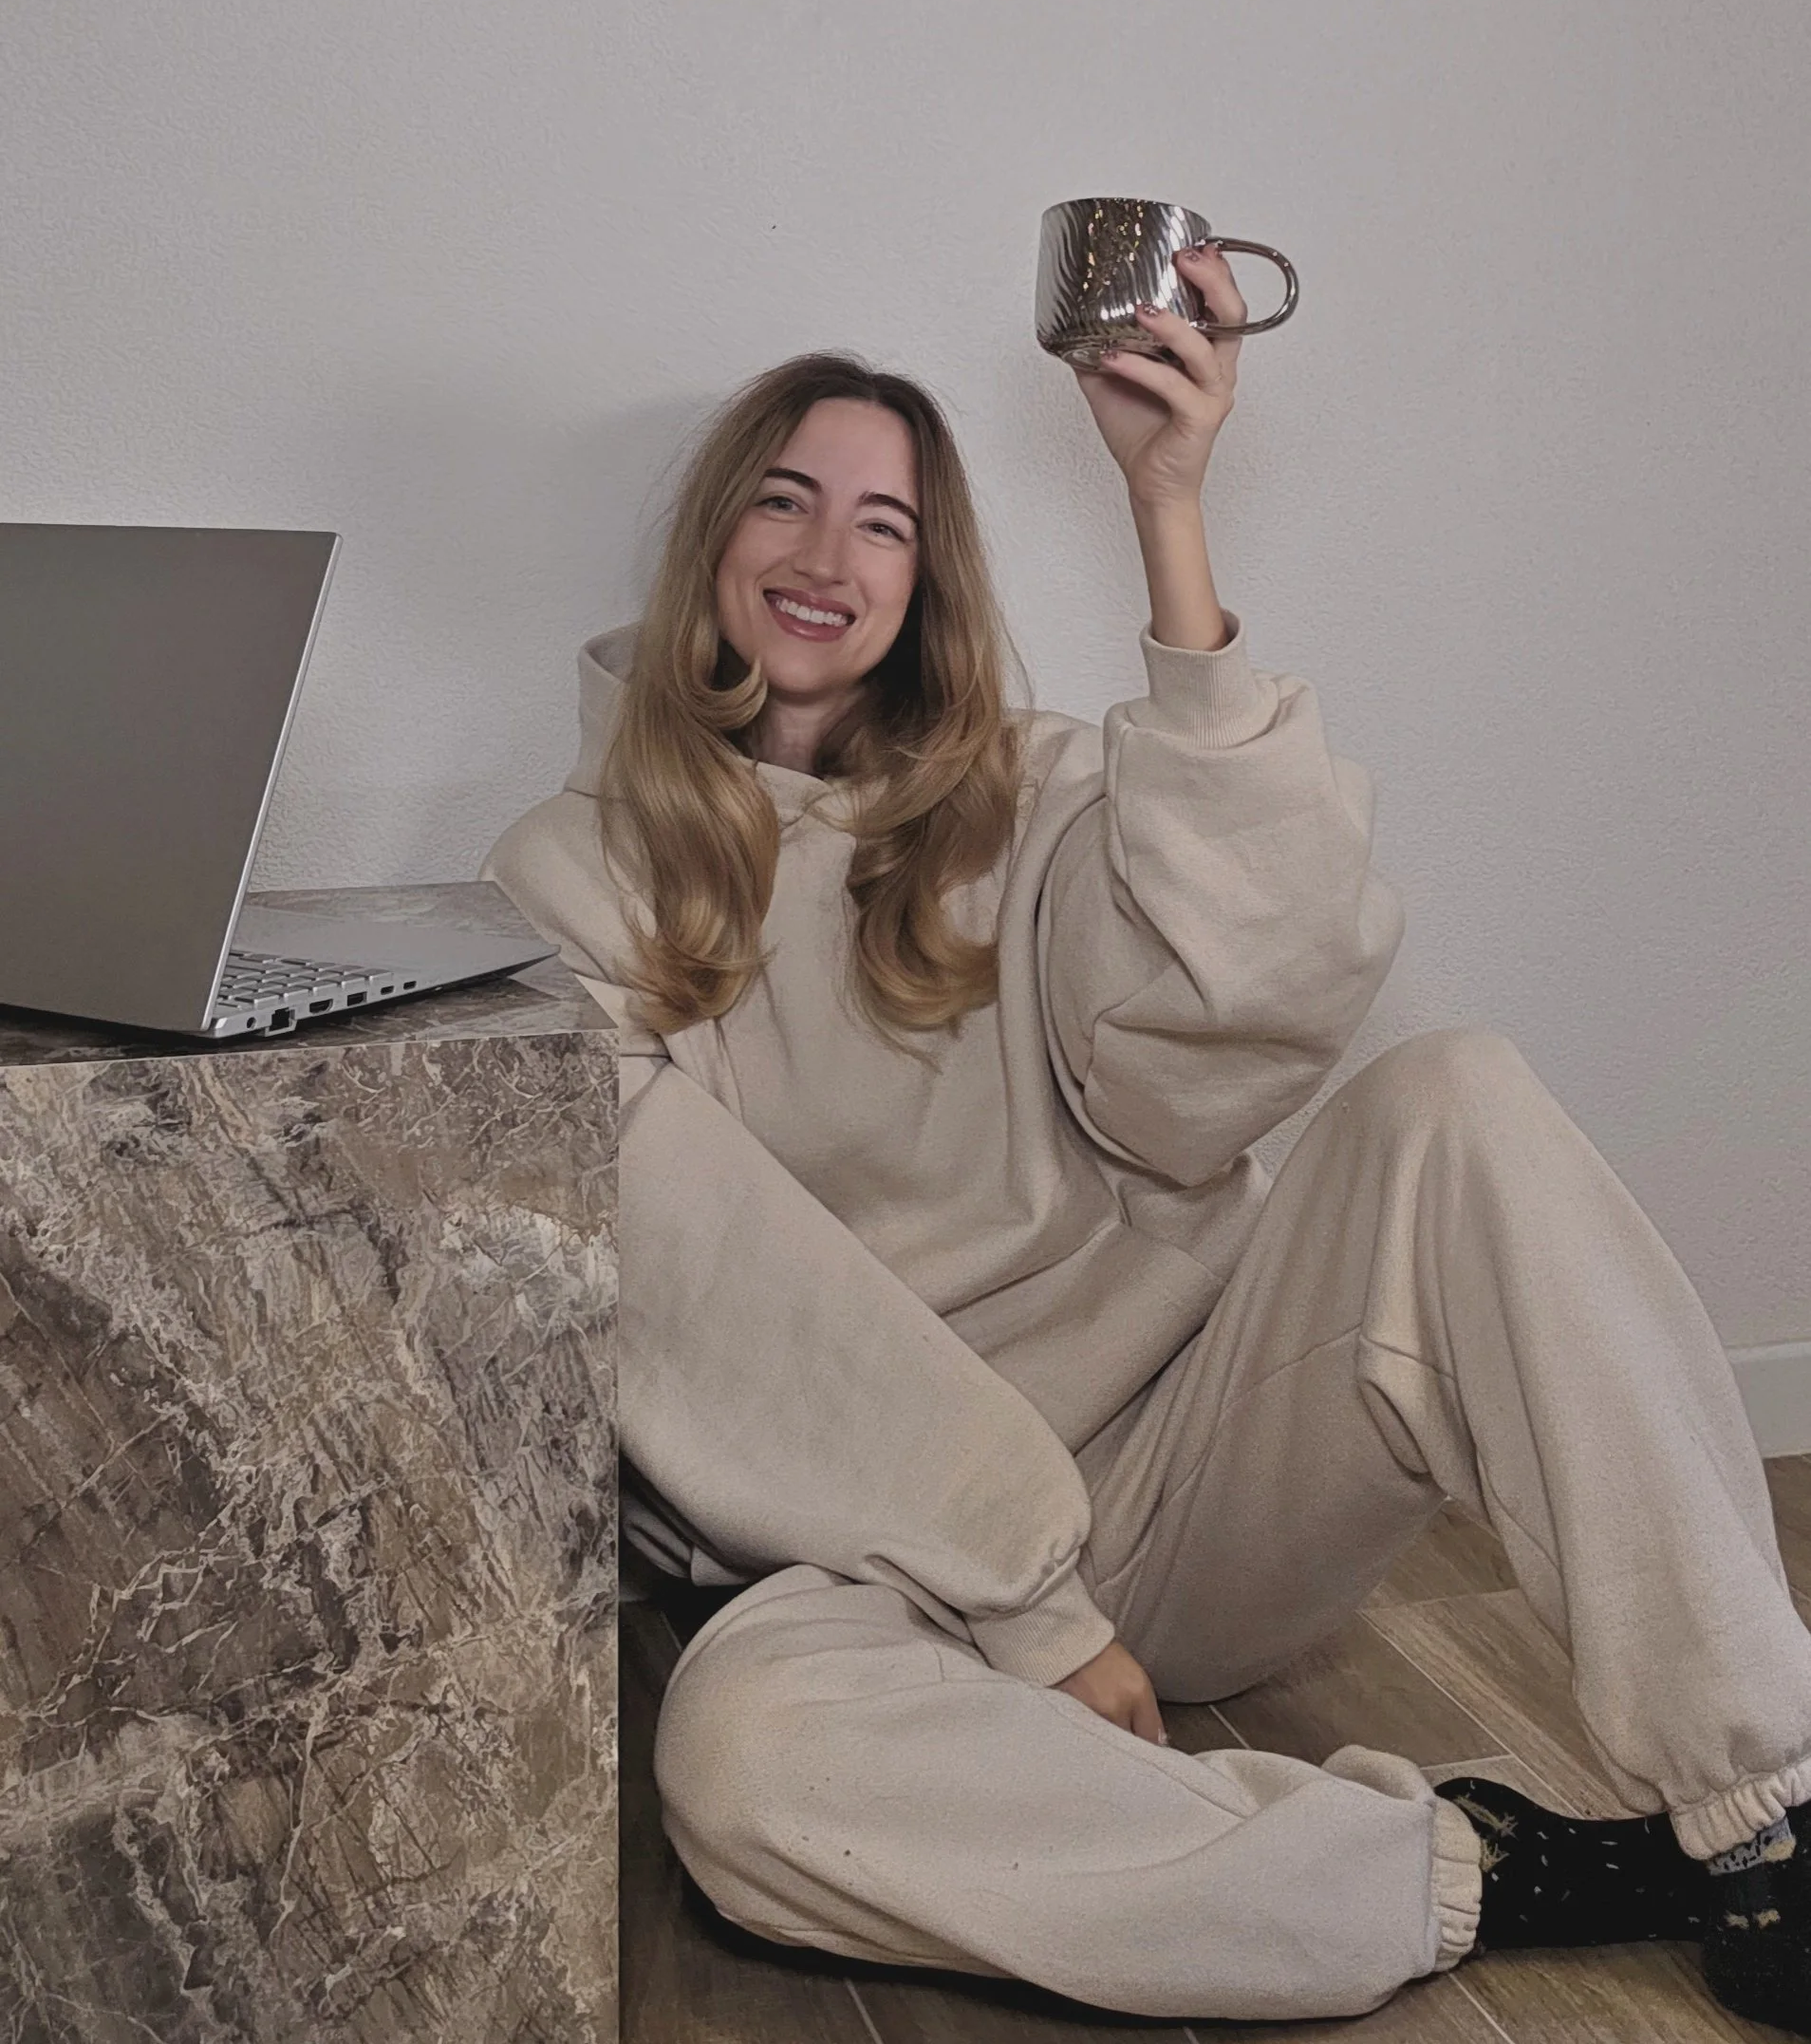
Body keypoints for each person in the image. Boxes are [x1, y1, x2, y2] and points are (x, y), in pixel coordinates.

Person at [483, 245, 1811, 2031]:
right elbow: (713, 1294)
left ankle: (1771, 1801)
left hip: (1181, 1480)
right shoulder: (559, 882)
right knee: (741, 1771)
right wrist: (1026, 1603)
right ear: (715, 533)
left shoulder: (1034, 796)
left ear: (926, 579)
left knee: (1459, 1095)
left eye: (884, 524)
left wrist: (1167, 509)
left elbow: (1223, 1046)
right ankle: (1474, 1870)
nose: (825, 557)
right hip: (869, 1562)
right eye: (785, 500)